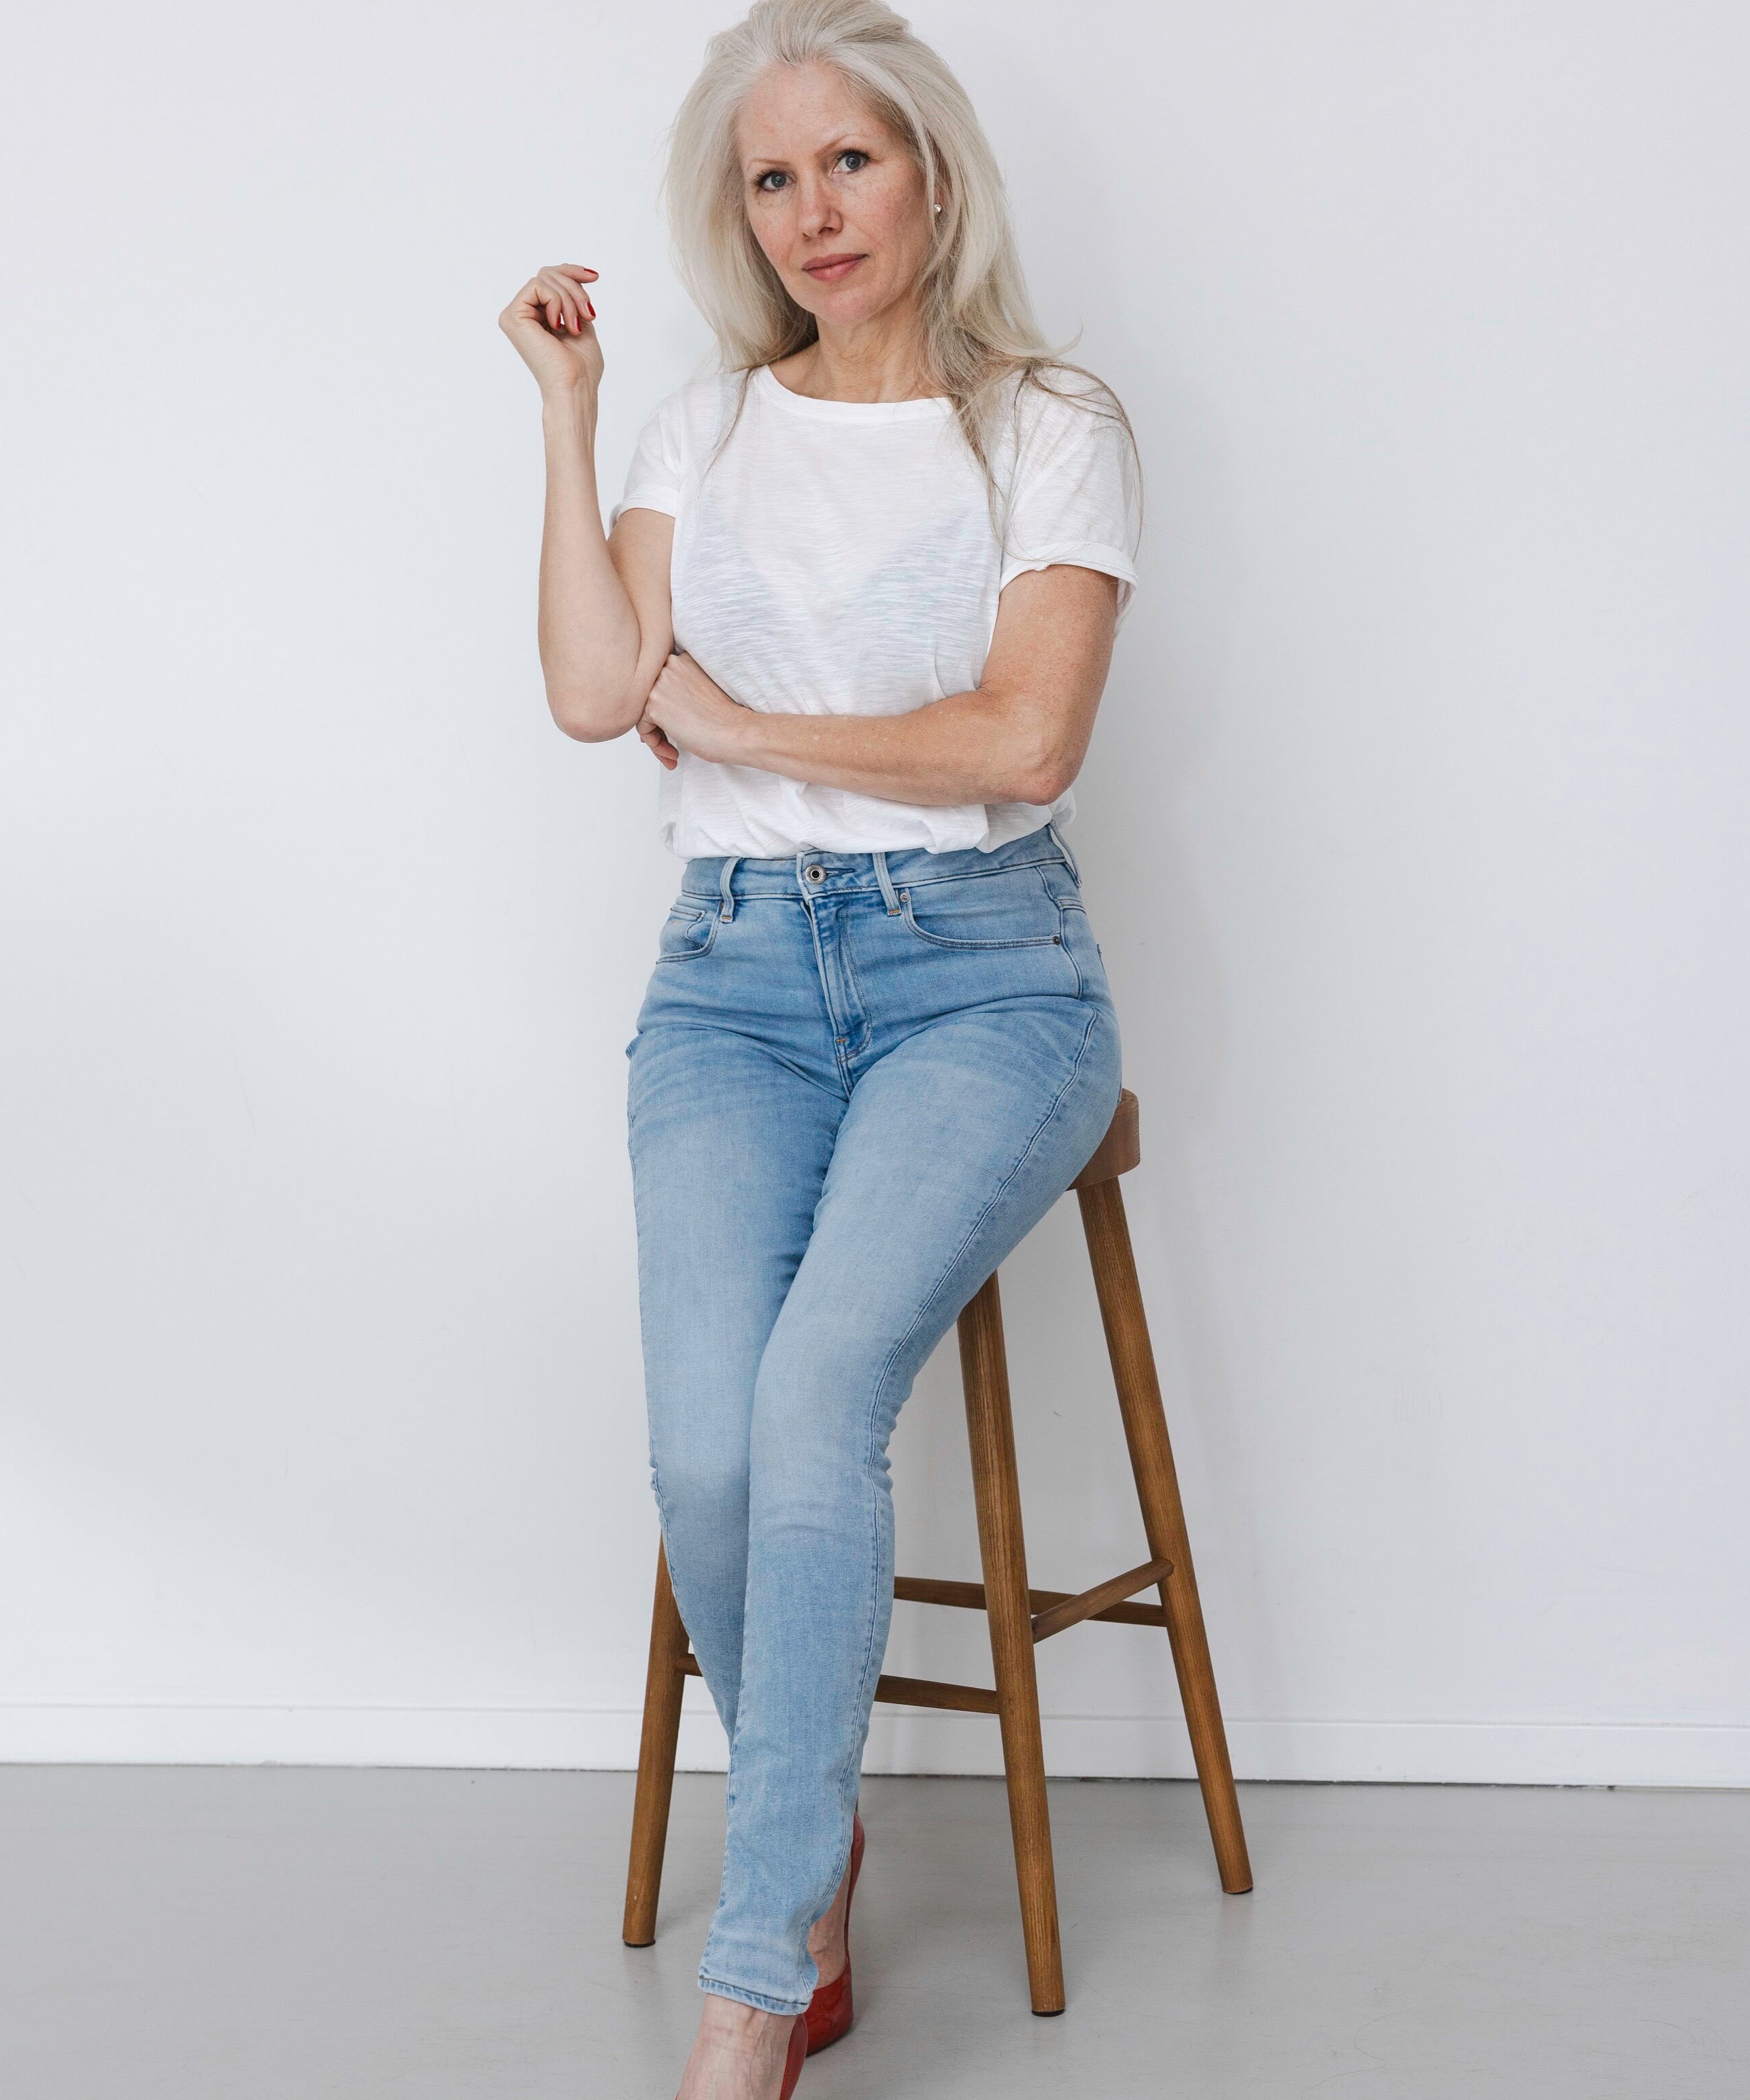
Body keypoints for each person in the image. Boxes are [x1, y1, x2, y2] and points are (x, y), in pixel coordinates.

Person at [501, 3, 1141, 2092]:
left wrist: (745, 724)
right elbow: (596, 695)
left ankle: (756, 1990)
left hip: (986, 979)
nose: (812, 212)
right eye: (772, 179)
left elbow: (1023, 741)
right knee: (708, 1450)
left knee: (810, 1400)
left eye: (848, 162)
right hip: (732, 982)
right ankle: (814, 1830)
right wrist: (573, 414)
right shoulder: (701, 429)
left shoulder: (1047, 423)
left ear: (933, 173)